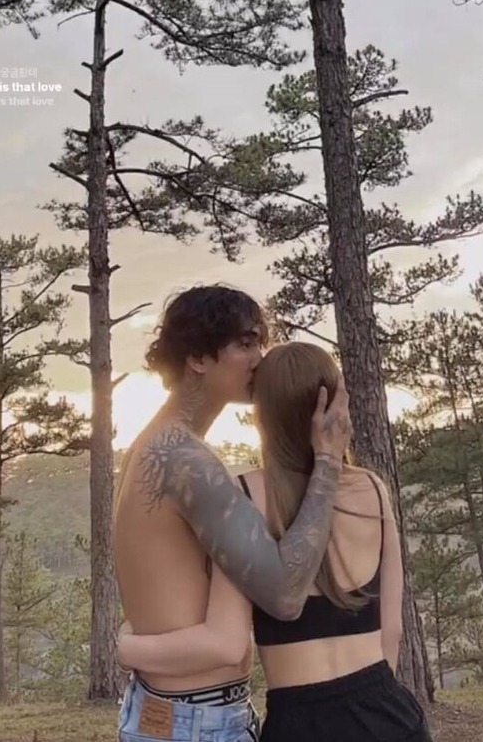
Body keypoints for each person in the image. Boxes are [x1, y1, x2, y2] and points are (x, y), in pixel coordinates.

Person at [118, 341, 434, 742]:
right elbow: (392, 632)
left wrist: (126, 648)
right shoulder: (373, 489)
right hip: (388, 711)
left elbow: (227, 638)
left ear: (262, 414)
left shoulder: (247, 495)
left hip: (300, 722)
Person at [113, 288, 352, 742]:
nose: (259, 360)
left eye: (260, 343)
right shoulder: (183, 460)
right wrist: (328, 461)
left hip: (173, 713)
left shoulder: (156, 444)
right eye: (245, 344)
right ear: (198, 358)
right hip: (193, 722)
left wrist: (128, 647)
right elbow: (285, 594)